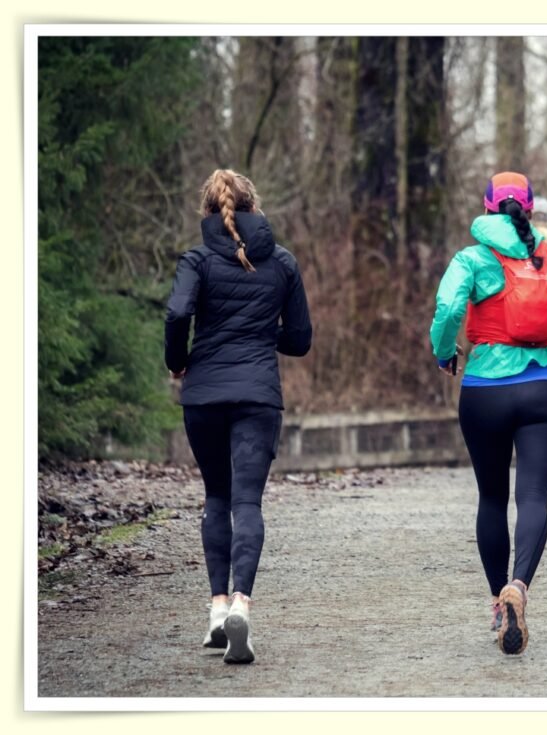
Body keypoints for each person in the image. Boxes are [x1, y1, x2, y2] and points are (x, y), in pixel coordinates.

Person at [430, 172, 547, 655]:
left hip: (484, 391)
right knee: (533, 499)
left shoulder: (472, 258)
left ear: (486, 208)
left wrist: (446, 352)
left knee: (490, 498)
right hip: (546, 389)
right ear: (528, 208)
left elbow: (446, 309)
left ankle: (496, 598)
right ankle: (519, 588)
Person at [165, 169, 312, 664]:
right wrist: (258, 336)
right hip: (257, 396)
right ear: (254, 207)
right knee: (246, 501)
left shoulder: (197, 260)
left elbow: (177, 314)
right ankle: (243, 607)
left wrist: (177, 360)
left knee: (215, 496)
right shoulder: (283, 263)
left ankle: (215, 610)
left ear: (208, 210)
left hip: (204, 394)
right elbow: (299, 340)